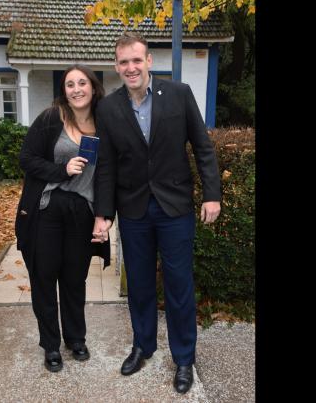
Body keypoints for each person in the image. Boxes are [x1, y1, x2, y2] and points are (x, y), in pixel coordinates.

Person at [92, 32, 221, 394]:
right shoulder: (109, 108)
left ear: (148, 61)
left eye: (137, 60)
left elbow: (202, 146)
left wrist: (212, 194)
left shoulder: (179, 95)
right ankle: (143, 346)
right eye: (123, 62)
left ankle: (184, 357)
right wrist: (104, 214)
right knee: (140, 285)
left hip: (174, 207)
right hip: (133, 209)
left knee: (179, 285)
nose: (130, 68)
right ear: (117, 67)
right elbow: (106, 166)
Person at [15, 64, 111, 373]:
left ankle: (75, 338)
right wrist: (62, 170)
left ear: (93, 87)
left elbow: (110, 175)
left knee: (74, 279)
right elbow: (26, 159)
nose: (76, 89)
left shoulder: (106, 124)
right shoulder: (50, 118)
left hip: (82, 212)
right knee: (44, 277)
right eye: (70, 84)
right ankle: (51, 346)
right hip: (48, 208)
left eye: (82, 82)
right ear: (64, 91)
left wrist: (104, 217)